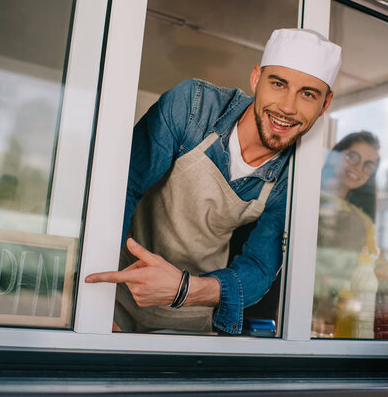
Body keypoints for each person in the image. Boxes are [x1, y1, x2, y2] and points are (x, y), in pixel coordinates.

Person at [85, 29, 342, 334]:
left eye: (308, 94)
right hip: (112, 295)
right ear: (256, 79)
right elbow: (121, 188)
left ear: (325, 105)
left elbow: (260, 268)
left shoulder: (294, 178)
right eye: (278, 84)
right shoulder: (194, 106)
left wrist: (186, 290)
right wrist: (93, 305)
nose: (287, 107)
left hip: (189, 317)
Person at [313, 131, 381, 337]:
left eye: (368, 165)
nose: (358, 168)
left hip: (333, 322)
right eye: (353, 157)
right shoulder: (305, 197)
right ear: (337, 155)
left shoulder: (363, 222)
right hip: (288, 313)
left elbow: (360, 278)